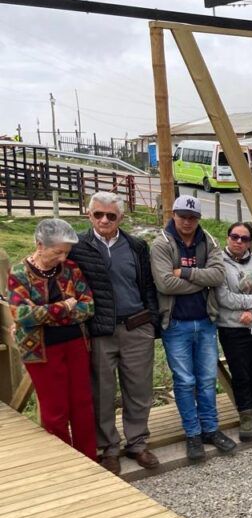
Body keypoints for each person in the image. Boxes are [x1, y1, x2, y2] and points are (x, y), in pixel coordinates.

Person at [68, 192, 161, 475]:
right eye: (98, 214)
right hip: (100, 330)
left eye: (111, 215)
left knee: (139, 389)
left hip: (136, 326)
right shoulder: (77, 247)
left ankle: (137, 442)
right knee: (102, 391)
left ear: (120, 217)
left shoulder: (136, 246)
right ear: (89, 215)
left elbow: (147, 286)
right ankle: (108, 447)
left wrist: (151, 321)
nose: (104, 220)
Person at [151, 194, 235, 462]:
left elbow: (218, 276)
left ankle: (211, 428)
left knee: (208, 379)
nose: (187, 222)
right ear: (173, 215)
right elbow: (165, 283)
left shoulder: (208, 240)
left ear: (198, 219)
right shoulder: (161, 244)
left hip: (205, 320)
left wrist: (184, 273)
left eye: (192, 217)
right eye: (182, 216)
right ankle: (192, 433)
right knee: (185, 382)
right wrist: (202, 279)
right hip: (175, 323)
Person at [8, 218, 96, 459]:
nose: (62, 258)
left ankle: (89, 459)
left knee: (82, 405)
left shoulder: (71, 269)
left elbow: (88, 307)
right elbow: (21, 314)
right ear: (40, 245)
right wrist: (64, 307)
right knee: (54, 410)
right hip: (39, 350)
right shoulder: (18, 274)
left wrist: (44, 312)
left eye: (66, 252)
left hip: (76, 344)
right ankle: (64, 461)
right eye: (57, 252)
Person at [216, 221, 252, 442]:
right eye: (235, 237)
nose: (239, 241)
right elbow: (224, 297)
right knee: (240, 373)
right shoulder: (218, 264)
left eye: (245, 238)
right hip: (233, 327)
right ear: (227, 238)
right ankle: (246, 416)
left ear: (250, 242)